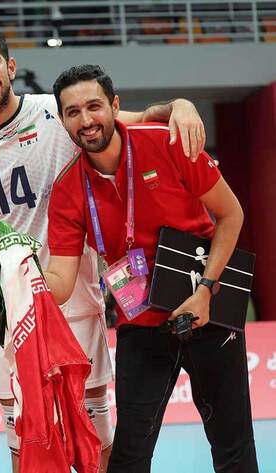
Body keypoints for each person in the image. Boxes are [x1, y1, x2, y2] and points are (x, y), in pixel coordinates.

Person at [0, 26, 205, 473]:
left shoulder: (55, 112)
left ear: (10, 66)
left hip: (74, 297)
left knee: (95, 432)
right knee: (24, 435)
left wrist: (179, 106)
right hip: (10, 306)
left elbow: (134, 118)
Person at [44, 64, 257, 472]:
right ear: (63, 120)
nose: (86, 120)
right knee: (129, 456)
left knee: (234, 446)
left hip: (207, 307)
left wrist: (205, 289)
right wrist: (17, 274)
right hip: (141, 322)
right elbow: (62, 282)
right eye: (73, 112)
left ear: (115, 106)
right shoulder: (67, 189)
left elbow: (231, 214)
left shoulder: (166, 142)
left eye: (94, 106)